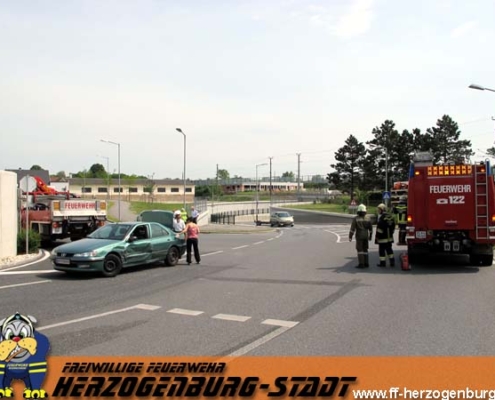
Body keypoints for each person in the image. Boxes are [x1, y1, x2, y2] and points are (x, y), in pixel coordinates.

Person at [349, 204, 373, 269]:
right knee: (365, 249)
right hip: (366, 235)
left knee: (360, 250)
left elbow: (352, 229)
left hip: (359, 236)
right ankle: (366, 263)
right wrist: (370, 236)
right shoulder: (368, 218)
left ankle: (361, 264)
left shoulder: (356, 219)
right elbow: (371, 228)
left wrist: (350, 236)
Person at [375, 203, 395, 267]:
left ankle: (382, 263)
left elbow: (380, 229)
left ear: (382, 209)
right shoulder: (390, 216)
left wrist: (377, 236)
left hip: (382, 238)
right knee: (389, 250)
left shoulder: (382, 218)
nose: (378, 211)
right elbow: (393, 226)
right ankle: (392, 262)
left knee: (382, 251)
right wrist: (391, 233)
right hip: (389, 238)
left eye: (379, 209)